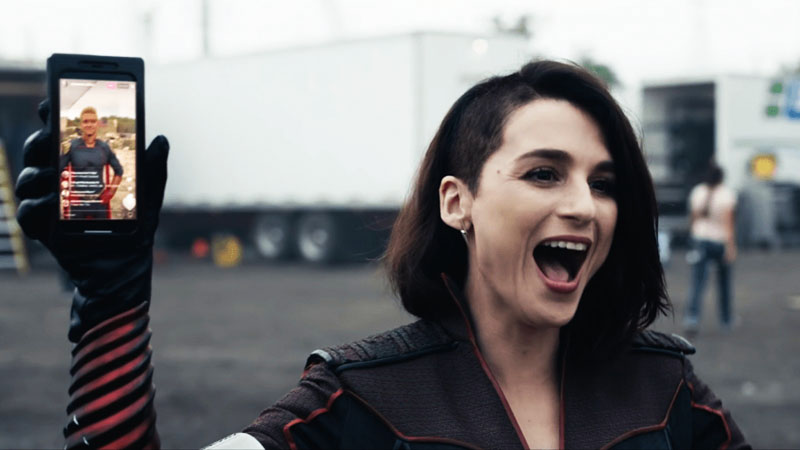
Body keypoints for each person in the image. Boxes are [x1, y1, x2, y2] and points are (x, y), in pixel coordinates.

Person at [16, 61, 749, 449]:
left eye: (604, 183)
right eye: (543, 174)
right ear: (457, 201)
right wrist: (110, 302)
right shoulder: (359, 400)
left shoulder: (667, 390)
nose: (585, 206)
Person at [684, 163, 738, 334]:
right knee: (724, 283)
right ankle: (726, 319)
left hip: (700, 240)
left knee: (697, 282)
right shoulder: (727, 194)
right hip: (719, 240)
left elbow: (693, 217)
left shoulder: (698, 192)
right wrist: (731, 246)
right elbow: (729, 223)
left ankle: (692, 317)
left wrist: (691, 236)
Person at [60, 106, 124, 219]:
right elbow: (58, 170)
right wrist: (66, 193)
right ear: (81, 124)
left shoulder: (104, 147)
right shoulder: (72, 146)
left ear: (97, 124)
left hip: (99, 201)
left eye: (93, 121)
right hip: (78, 202)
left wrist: (110, 193)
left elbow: (119, 171)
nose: (89, 125)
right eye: (85, 121)